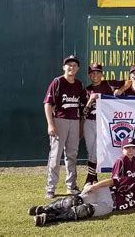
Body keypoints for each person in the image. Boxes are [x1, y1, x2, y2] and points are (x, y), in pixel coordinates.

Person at [28, 171, 135, 226]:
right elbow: (111, 182)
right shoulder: (131, 181)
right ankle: (44, 208)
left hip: (110, 207)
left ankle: (49, 218)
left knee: (84, 211)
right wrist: (96, 186)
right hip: (105, 192)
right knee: (75, 201)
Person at [43, 55, 87, 199]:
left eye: (74, 65)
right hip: (59, 120)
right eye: (69, 65)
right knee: (55, 156)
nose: (71, 67)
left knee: (72, 155)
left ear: (78, 68)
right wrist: (50, 124)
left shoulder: (79, 85)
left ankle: (71, 186)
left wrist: (80, 127)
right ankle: (50, 187)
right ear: (64, 67)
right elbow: (47, 104)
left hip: (74, 121)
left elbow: (81, 108)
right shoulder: (57, 82)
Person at [83, 63, 127, 186]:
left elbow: (128, 82)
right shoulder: (87, 90)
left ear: (102, 74)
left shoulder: (109, 84)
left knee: (95, 151)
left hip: (103, 122)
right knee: (90, 150)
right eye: (92, 73)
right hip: (89, 122)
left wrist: (120, 90)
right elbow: (84, 113)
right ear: (89, 75)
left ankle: (89, 178)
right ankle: (94, 177)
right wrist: (90, 100)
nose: (95, 75)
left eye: (97, 72)